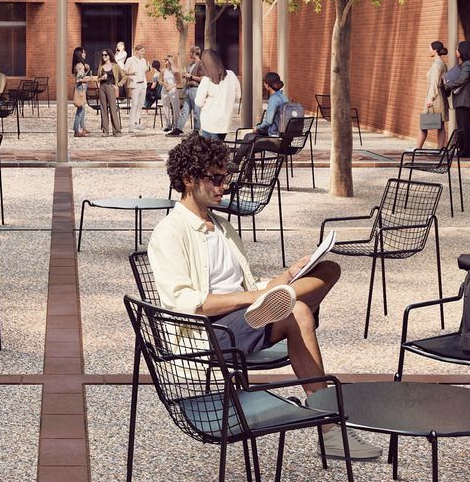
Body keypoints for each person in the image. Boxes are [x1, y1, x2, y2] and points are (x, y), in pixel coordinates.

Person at [145, 135, 374, 460]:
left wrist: (288, 274)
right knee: (298, 312)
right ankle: (329, 429)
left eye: (225, 178)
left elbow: (247, 284)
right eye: (216, 179)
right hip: (210, 331)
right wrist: (257, 296)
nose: (224, 186)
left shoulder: (221, 227)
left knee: (328, 269)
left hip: (248, 311)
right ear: (188, 179)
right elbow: (191, 304)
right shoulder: (170, 232)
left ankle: (282, 299)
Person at [193, 51, 242, 142]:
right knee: (219, 147)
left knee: (210, 149)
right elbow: (238, 95)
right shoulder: (231, 75)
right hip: (225, 122)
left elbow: (199, 102)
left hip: (209, 122)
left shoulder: (206, 80)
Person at [446, 39, 470, 157]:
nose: (456, 51)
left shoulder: (468, 64)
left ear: (463, 51)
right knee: (465, 125)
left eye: (458, 49)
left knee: (463, 126)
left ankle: (466, 150)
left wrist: (448, 85)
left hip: (464, 100)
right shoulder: (465, 64)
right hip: (461, 100)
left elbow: (462, 79)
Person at [252, 70, 296, 138]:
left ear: (267, 85)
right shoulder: (284, 97)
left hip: (274, 134)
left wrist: (257, 128)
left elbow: (268, 122)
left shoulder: (273, 99)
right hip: (285, 135)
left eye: (264, 83)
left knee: (249, 137)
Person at [420, 40, 449, 140]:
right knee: (440, 126)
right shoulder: (442, 64)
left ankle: (418, 147)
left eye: (430, 48)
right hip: (441, 96)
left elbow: (434, 83)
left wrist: (430, 98)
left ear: (435, 50)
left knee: (424, 125)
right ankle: (440, 147)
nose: (429, 50)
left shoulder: (436, 65)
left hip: (434, 97)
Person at [69, 47, 93, 138]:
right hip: (81, 87)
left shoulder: (79, 64)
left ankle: (83, 127)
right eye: (84, 52)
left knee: (83, 107)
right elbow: (79, 79)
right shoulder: (80, 65)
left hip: (81, 87)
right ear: (80, 53)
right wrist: (89, 78)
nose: (85, 53)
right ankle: (76, 130)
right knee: (80, 108)